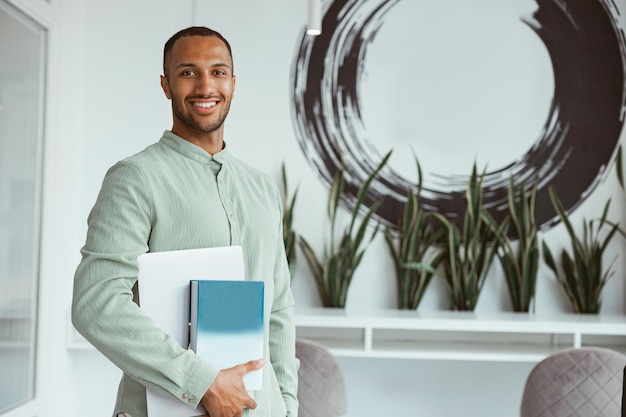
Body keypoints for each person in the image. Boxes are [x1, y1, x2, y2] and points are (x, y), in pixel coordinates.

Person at [71, 26, 299, 417]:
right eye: (188, 72)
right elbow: (97, 302)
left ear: (233, 82)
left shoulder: (262, 188)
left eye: (218, 71)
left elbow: (277, 310)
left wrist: (288, 406)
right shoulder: (135, 178)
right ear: (166, 84)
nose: (205, 85)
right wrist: (202, 381)